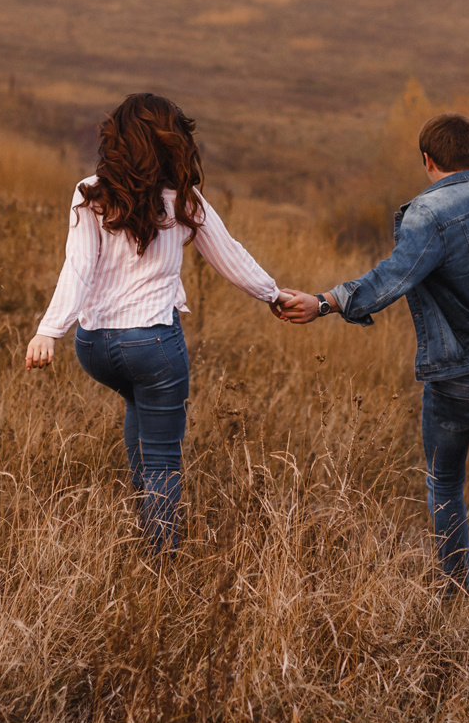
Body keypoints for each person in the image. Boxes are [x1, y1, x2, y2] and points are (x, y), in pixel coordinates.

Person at [276, 112, 469, 601]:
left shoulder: (428, 215)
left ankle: (455, 592)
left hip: (456, 379)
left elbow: (392, 277)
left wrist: (325, 302)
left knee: (445, 483)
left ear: (427, 160)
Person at [26, 93, 284, 551]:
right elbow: (230, 256)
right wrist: (274, 294)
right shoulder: (185, 200)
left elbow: (78, 266)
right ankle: (159, 555)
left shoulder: (91, 193)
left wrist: (51, 330)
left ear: (118, 142)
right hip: (153, 346)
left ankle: (143, 521)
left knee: (137, 407)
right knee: (164, 457)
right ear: (171, 143)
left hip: (95, 347)